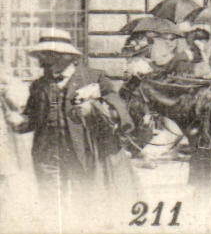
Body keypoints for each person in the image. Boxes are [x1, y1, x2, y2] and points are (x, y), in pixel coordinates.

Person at [4, 29, 136, 208]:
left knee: (84, 203)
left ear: (65, 56)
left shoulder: (94, 78)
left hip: (82, 153)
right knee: (51, 205)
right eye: (41, 55)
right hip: (47, 156)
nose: (41, 62)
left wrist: (94, 109)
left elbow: (120, 112)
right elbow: (32, 118)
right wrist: (19, 122)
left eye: (47, 55)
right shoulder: (38, 85)